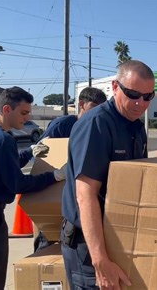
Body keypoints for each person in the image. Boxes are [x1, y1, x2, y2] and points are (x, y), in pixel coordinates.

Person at [61, 60, 155, 289]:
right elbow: (85, 196)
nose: (140, 103)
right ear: (115, 87)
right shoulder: (97, 125)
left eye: (148, 97)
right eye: (133, 94)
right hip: (89, 245)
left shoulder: (135, 125)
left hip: (118, 236)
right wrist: (100, 260)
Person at [0, 87, 67, 290]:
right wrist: (54, 176)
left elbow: (5, 165)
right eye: (23, 113)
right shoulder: (3, 140)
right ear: (7, 109)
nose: (28, 117)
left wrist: (31, 152)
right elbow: (17, 184)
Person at [32, 87, 107, 252]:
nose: (97, 111)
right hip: (55, 186)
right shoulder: (64, 124)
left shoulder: (99, 126)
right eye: (94, 106)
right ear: (82, 104)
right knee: (49, 233)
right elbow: (44, 149)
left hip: (80, 189)